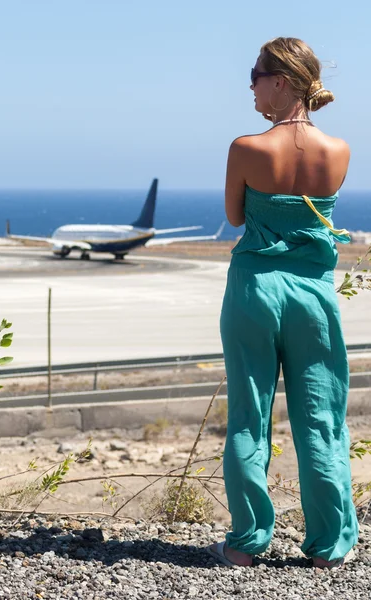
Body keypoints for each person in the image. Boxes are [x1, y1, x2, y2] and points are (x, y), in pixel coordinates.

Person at [206, 37, 359, 569]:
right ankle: (328, 546)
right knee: (321, 418)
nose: (250, 85)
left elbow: (237, 216)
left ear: (284, 81)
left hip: (254, 289)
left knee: (250, 415)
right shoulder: (338, 151)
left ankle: (247, 543)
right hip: (313, 295)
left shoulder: (246, 148)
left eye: (256, 74)